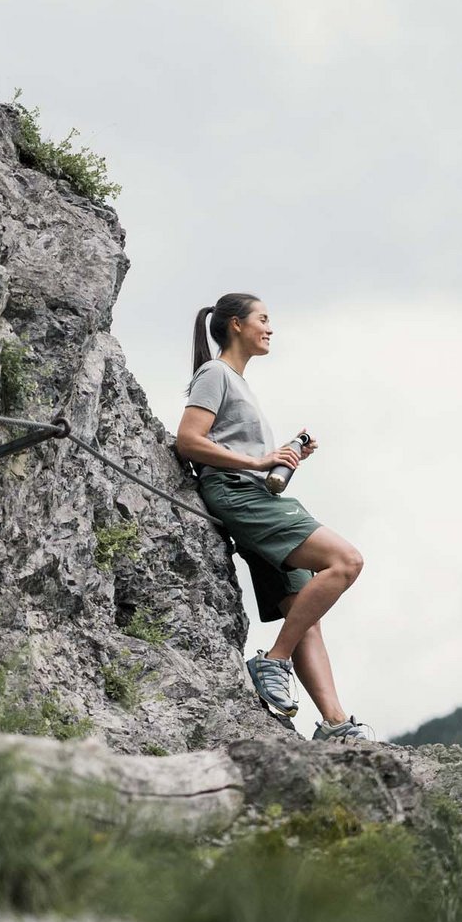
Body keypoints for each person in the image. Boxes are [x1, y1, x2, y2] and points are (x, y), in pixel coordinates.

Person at [175, 293, 373, 741]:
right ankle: (273, 660)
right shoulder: (215, 373)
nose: (270, 328)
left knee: (304, 610)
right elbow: (188, 440)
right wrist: (259, 463)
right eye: (263, 319)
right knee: (346, 562)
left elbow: (237, 449)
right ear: (235, 325)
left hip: (251, 493)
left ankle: (335, 723)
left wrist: (281, 458)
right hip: (239, 494)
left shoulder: (238, 383)